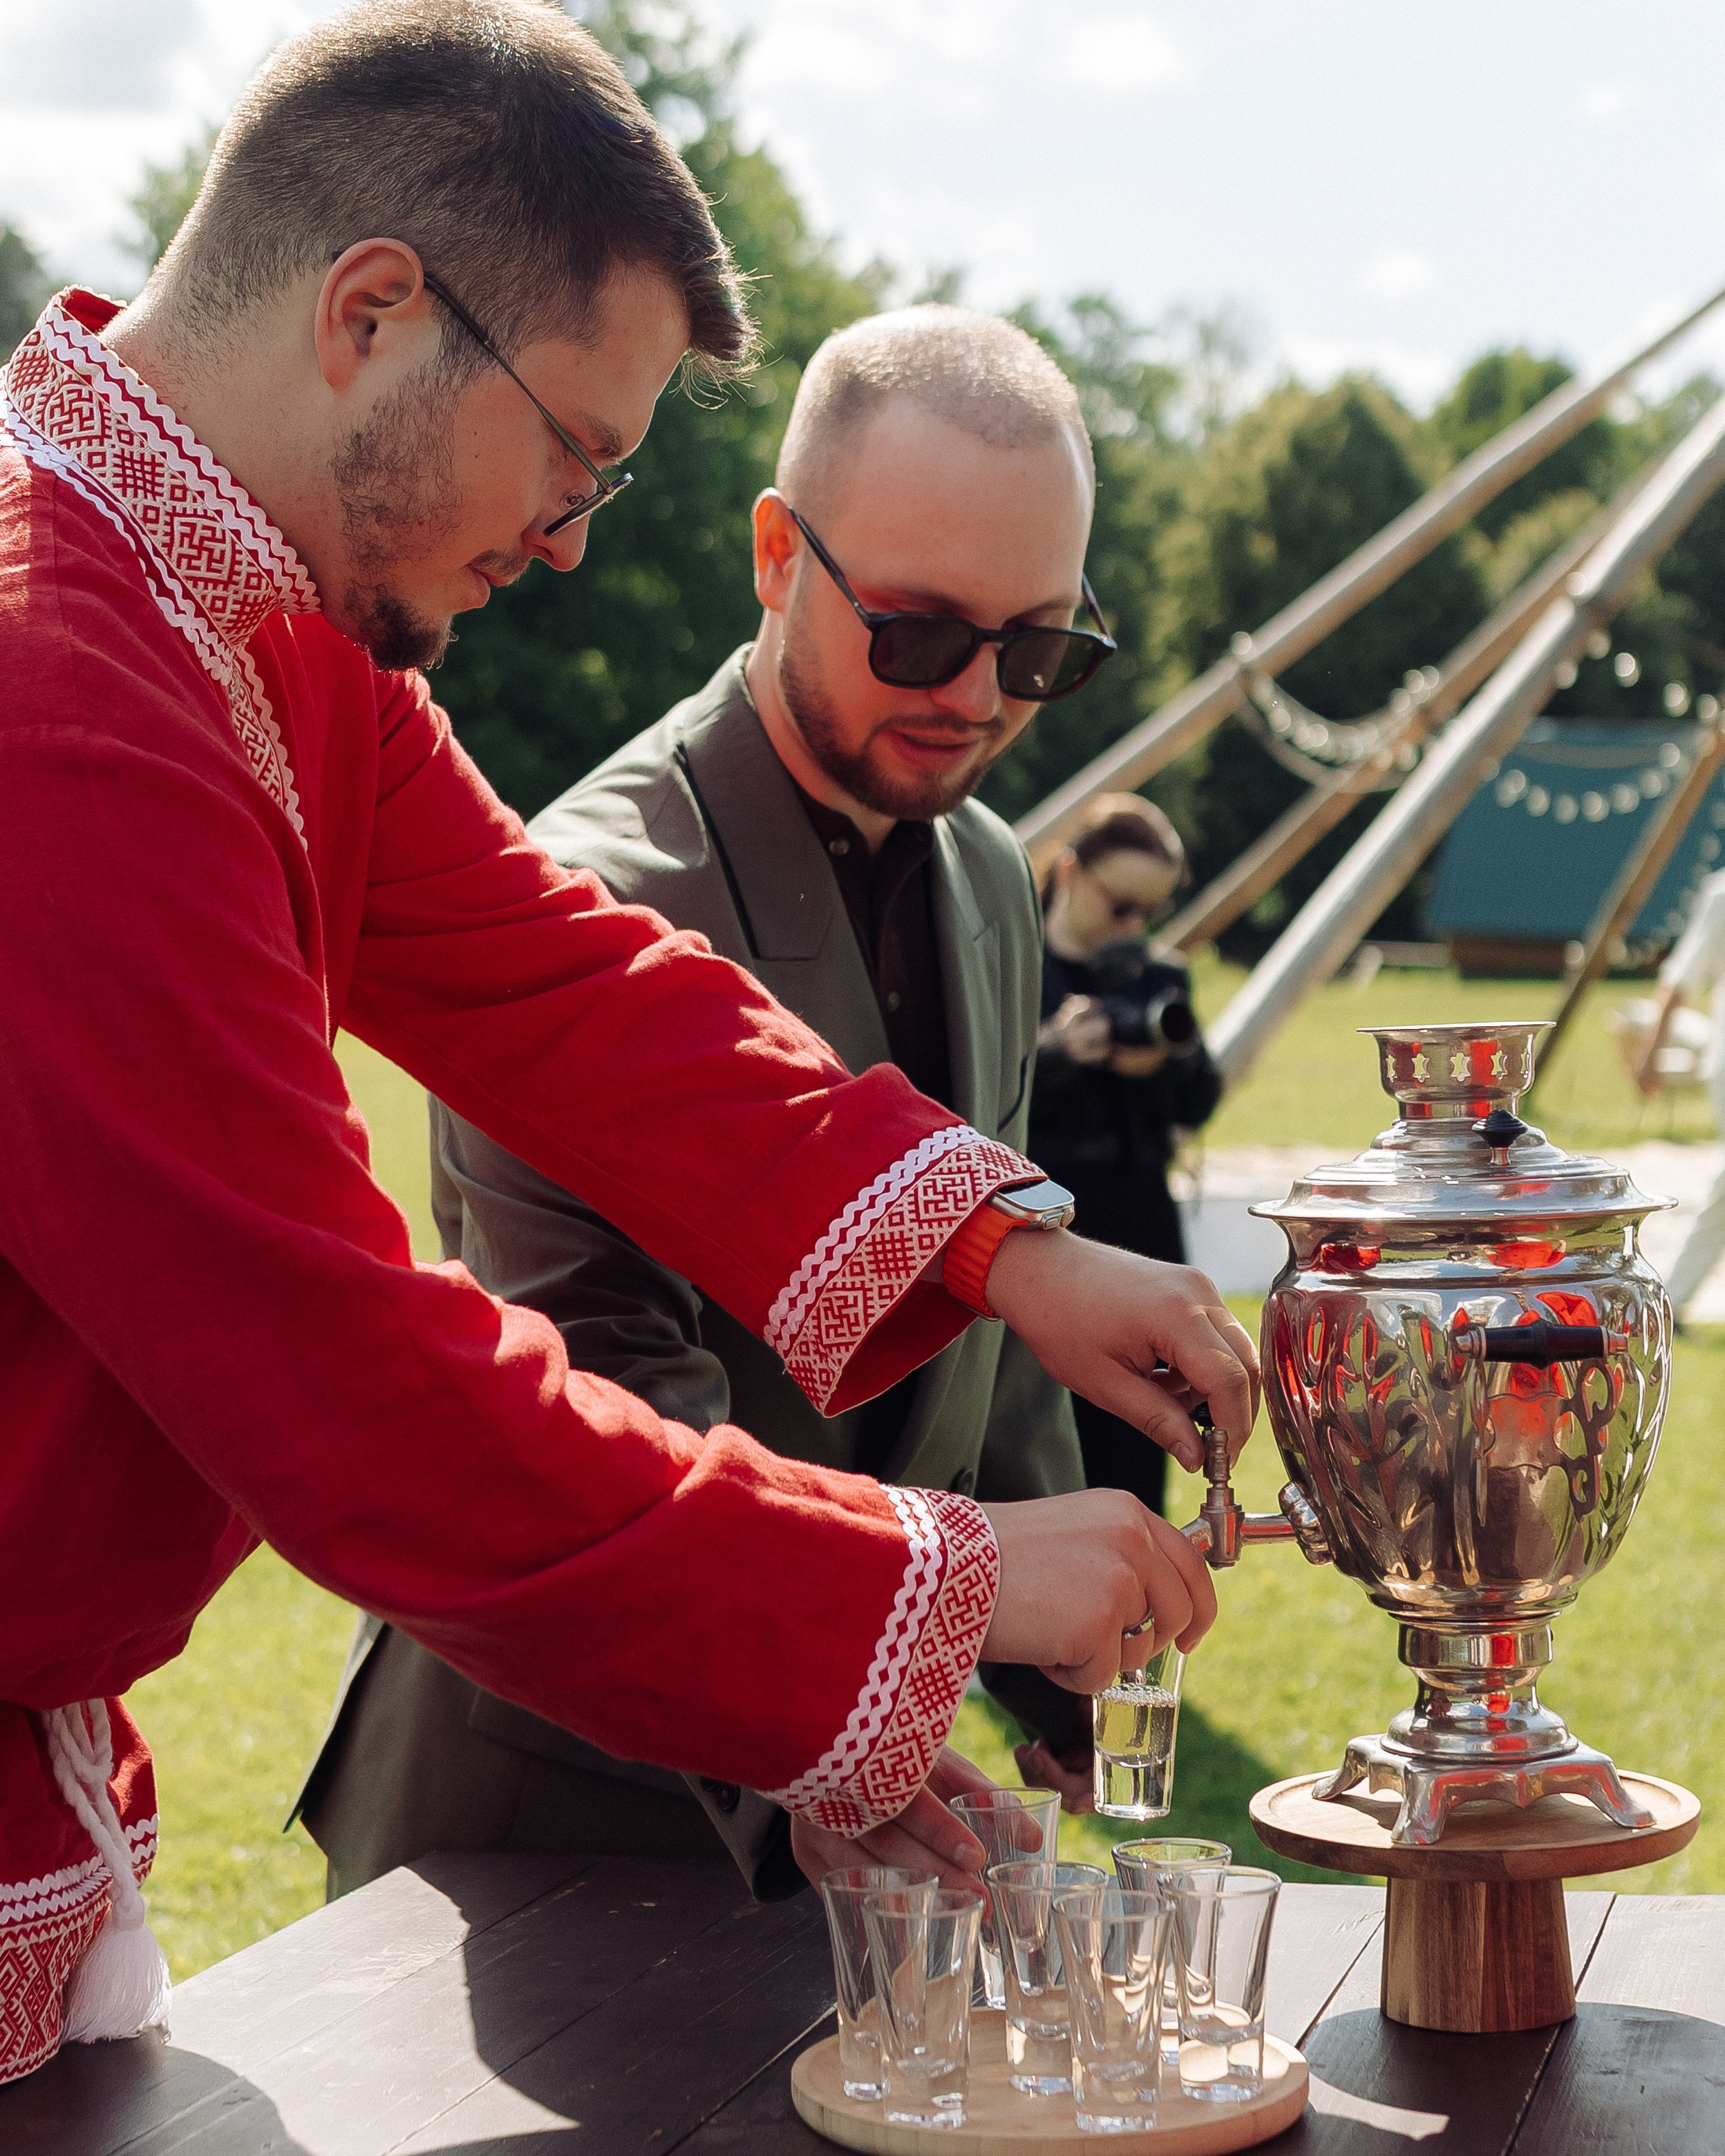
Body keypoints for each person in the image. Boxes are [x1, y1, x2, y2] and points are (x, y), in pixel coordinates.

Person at [0, 0, 1256, 2087]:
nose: (579, 533)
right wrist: (929, 1586)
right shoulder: (57, 688)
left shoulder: (232, 610)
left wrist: (1013, 1256)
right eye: (577, 449)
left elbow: (568, 981)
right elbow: (354, 1387)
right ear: (372, 312)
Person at [299, 307, 1131, 1893]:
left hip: (874, 1774)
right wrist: (850, 1708)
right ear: (774, 553)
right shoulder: (589, 881)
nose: (973, 694)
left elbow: (989, 1343)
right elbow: (602, 1378)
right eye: (914, 633)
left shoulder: (988, 875)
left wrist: (1055, 1663)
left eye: (1037, 651)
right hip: (560, 1801)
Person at [1030, 796, 1224, 1517]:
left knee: (1143, 1434)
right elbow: (972, 1099)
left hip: (1142, 1223)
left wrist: (1166, 1064)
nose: (1133, 929)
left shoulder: (1157, 977)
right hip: (1047, 1229)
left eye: (1150, 911)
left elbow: (1201, 1098)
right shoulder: (1015, 967)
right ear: (1071, 871)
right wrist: (1054, 1054)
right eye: (1120, 907)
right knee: (1046, 1435)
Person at [1636, 865, 1725, 1316]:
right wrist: (1651, 1053)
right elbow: (1681, 981)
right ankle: (1669, 1303)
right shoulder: (1722, 893)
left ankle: (1669, 1302)